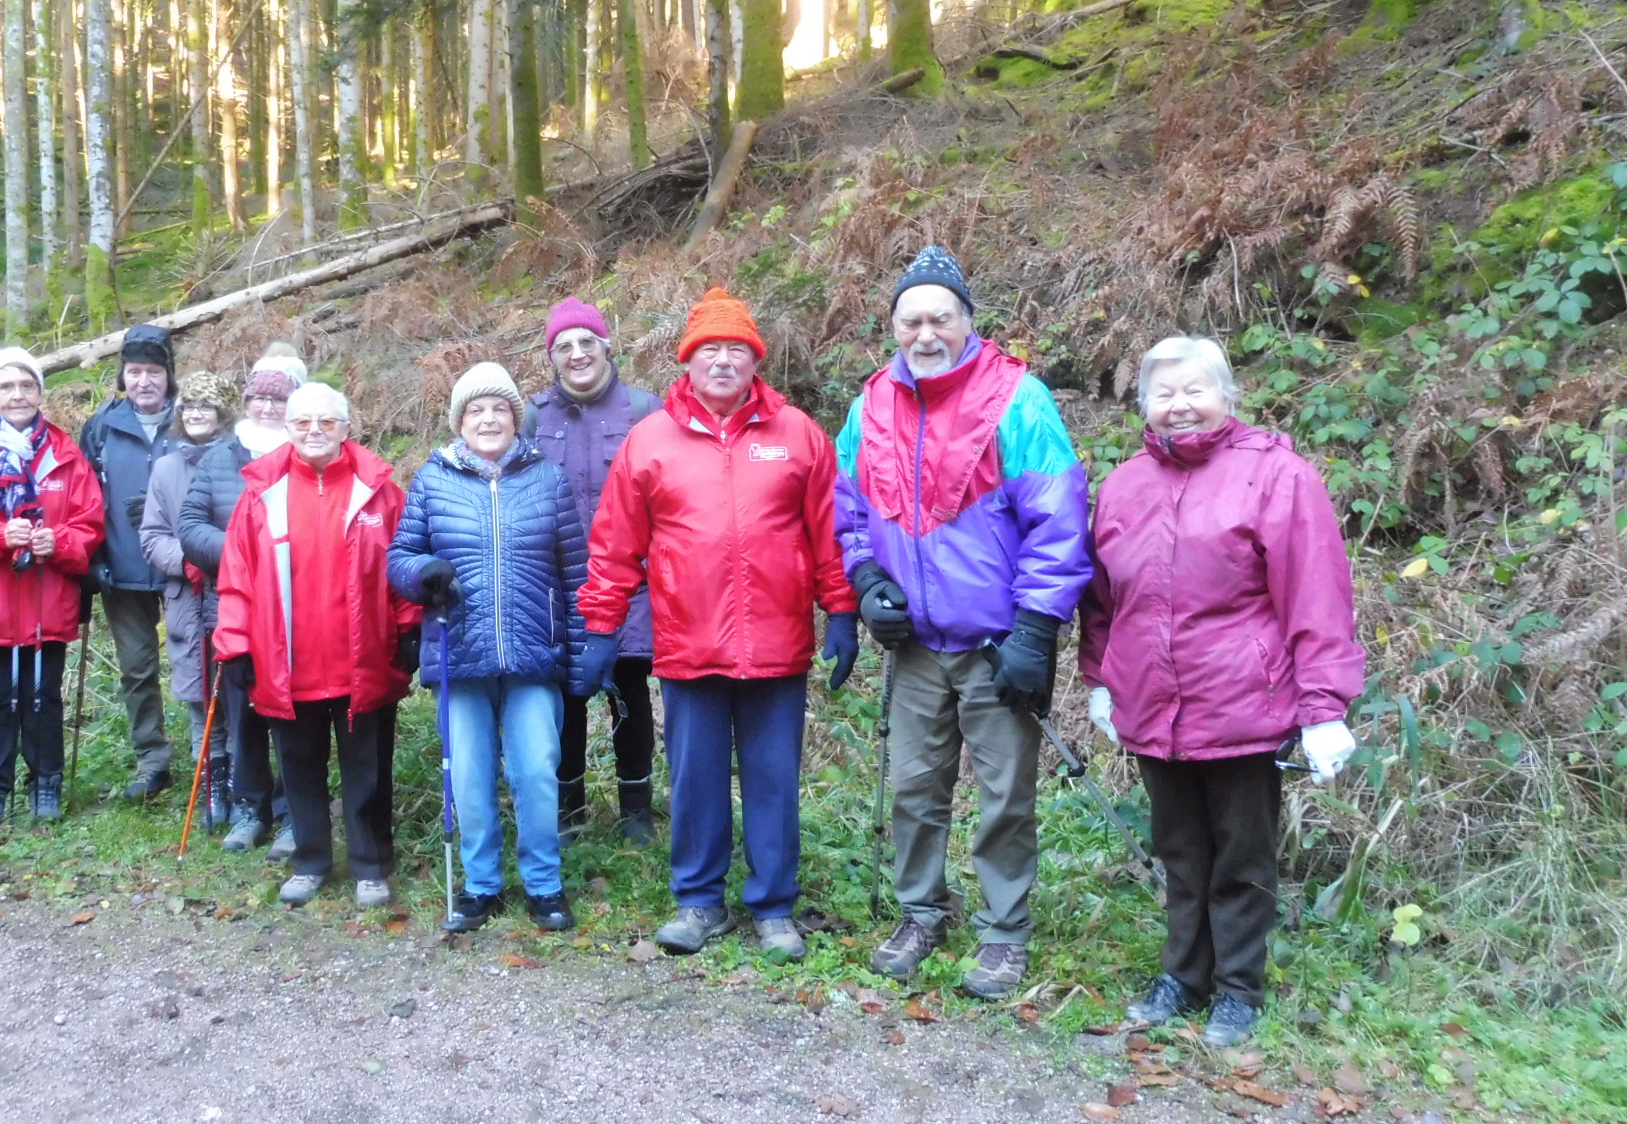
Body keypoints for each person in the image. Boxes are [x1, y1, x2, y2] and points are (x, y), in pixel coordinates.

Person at [1079, 335, 1365, 1046]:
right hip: (1151, 703)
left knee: (1241, 853)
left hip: (1244, 703)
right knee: (1179, 848)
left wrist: (1324, 706)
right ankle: (1183, 974)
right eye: (1163, 394)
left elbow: (1316, 596)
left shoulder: (1277, 477)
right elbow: (1101, 601)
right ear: (1143, 404)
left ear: (1226, 396)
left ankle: (1238, 987)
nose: (1180, 406)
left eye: (1194, 390)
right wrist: (1101, 683)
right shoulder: (1122, 487)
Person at [833, 246, 1093, 998]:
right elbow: (848, 510)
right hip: (913, 647)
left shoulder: (1018, 399)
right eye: (910, 319)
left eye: (940, 317)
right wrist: (869, 580)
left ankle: (1004, 933)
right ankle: (921, 911)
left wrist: (1037, 630)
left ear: (967, 321)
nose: (925, 332)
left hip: (994, 643)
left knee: (1004, 794)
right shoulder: (870, 405)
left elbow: (1058, 522)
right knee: (914, 786)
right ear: (893, 328)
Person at [573, 289, 858, 964]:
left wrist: (841, 610)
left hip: (778, 644)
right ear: (688, 362)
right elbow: (614, 547)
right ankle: (699, 902)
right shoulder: (650, 442)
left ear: (755, 360)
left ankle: (774, 907)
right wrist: (600, 630)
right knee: (696, 779)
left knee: (772, 779)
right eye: (710, 350)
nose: (723, 361)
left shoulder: (799, 436)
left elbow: (831, 533)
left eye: (737, 350)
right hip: (687, 643)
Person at [390, 363, 587, 934]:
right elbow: (398, 559)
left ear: (515, 418)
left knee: (536, 771)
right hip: (459, 655)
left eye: (499, 408)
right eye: (475, 409)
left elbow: (574, 574)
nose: (488, 418)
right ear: (459, 421)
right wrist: (423, 571)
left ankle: (544, 886)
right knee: (470, 777)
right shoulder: (432, 480)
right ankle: (481, 885)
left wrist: (578, 654)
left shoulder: (548, 480)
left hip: (533, 654)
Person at [215, 383, 419, 907]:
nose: (314, 432)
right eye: (303, 422)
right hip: (287, 662)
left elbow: (403, 568)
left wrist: (410, 628)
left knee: (368, 767)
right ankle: (310, 860)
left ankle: (372, 864)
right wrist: (234, 645)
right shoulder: (261, 494)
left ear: (346, 429)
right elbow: (238, 576)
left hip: (365, 659)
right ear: (287, 428)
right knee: (299, 766)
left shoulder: (380, 492)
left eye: (326, 423)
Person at [0, 348, 105, 834]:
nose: (17, 395)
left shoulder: (67, 457)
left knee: (43, 697)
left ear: (40, 392)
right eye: (5, 387)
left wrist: (61, 541)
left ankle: (45, 784)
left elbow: (90, 524)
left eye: (26, 385)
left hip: (48, 600)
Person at [523, 297, 663, 843]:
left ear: (607, 346)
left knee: (630, 699)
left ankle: (636, 813)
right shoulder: (534, 417)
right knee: (566, 705)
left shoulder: (645, 410)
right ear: (552, 357)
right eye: (564, 346)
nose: (577, 354)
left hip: (632, 588)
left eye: (586, 342)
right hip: (558, 592)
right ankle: (569, 814)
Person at [179, 352, 305, 854]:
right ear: (246, 402)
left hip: (295, 608)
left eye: (279, 399)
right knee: (243, 710)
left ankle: (295, 810)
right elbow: (190, 525)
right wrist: (237, 555)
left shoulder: (306, 454)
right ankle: (249, 807)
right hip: (230, 607)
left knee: (293, 713)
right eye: (260, 398)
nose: (268, 408)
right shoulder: (218, 458)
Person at [80, 324, 181, 801]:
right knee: (137, 668)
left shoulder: (192, 420)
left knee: (196, 664)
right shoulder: (102, 427)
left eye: (154, 371)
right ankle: (152, 759)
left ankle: (215, 756)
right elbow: (82, 499)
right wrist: (91, 558)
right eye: (135, 371)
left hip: (186, 568)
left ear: (169, 375)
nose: (144, 381)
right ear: (122, 375)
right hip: (122, 567)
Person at [139, 370, 242, 828]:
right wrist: (186, 559)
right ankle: (213, 781)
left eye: (206, 404)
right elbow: (152, 534)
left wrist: (221, 556)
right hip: (186, 596)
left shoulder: (243, 460)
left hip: (237, 590)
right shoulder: (165, 468)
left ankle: (244, 779)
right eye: (188, 406)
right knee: (199, 692)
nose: (196, 412)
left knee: (239, 689)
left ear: (223, 411)